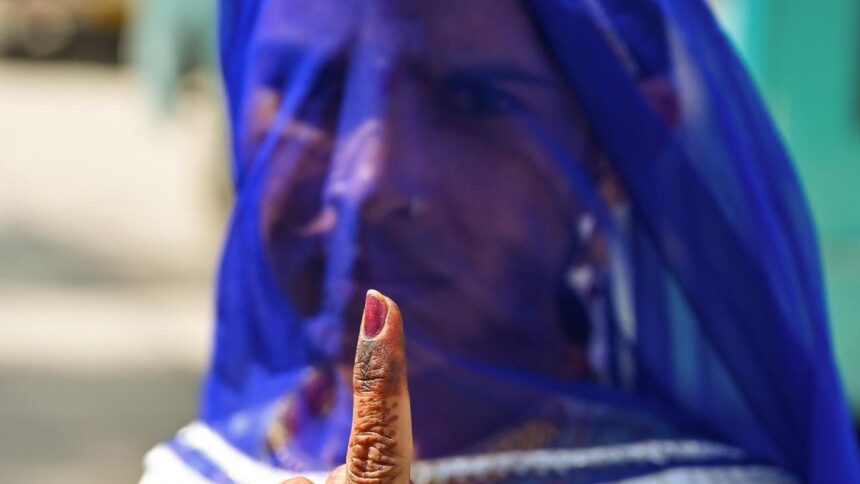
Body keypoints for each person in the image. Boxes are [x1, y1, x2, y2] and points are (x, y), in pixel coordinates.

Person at [142, 0, 860, 482]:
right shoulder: (195, 468)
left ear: (608, 157)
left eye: (473, 101)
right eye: (314, 91)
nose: (368, 183)